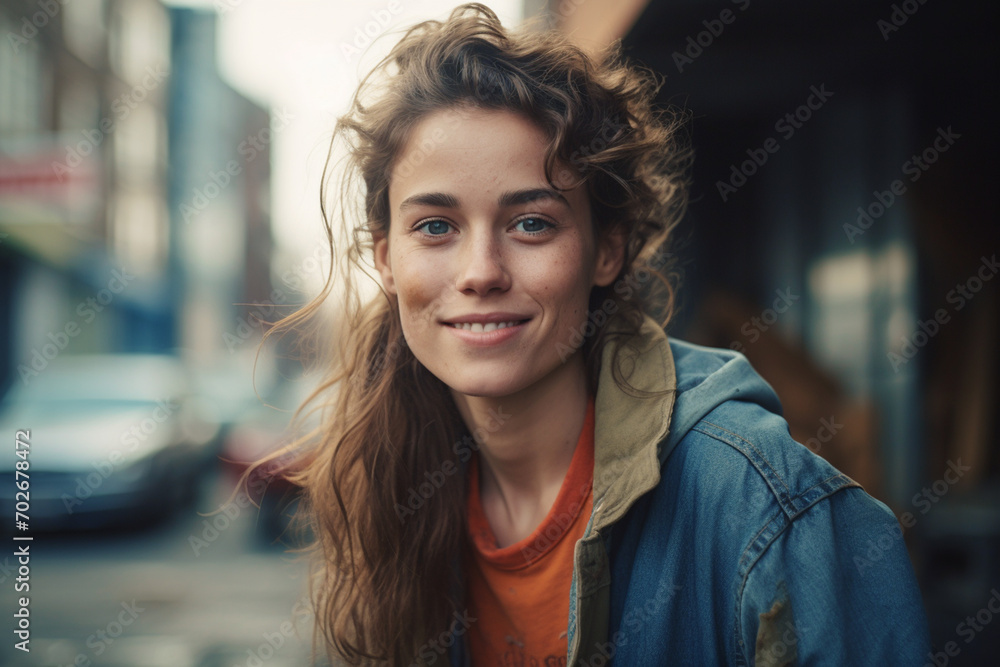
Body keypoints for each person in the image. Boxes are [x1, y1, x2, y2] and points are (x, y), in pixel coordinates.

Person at [257, 3, 931, 665]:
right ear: (385, 258)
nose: (480, 272)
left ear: (607, 249)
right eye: (436, 226)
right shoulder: (389, 489)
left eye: (532, 224)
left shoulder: (763, 505)